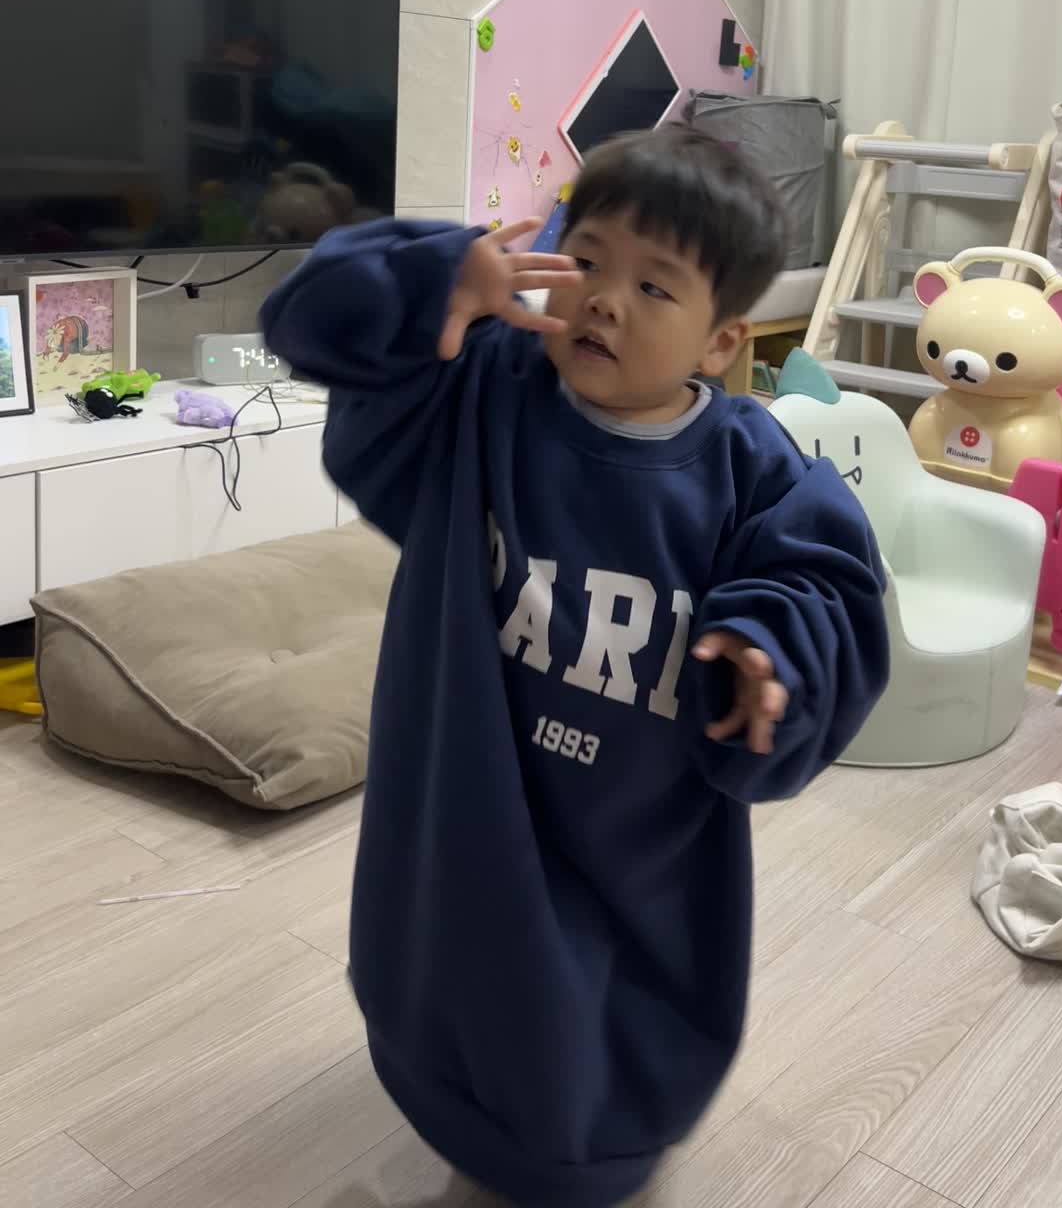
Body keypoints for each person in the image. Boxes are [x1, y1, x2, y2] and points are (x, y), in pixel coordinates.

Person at [261, 125, 890, 1208]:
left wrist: (769, 649)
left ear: (720, 341)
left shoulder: (751, 466)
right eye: (586, 258)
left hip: (642, 837)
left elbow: (827, 580)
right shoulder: (483, 389)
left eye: (654, 285)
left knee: (610, 1042)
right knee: (463, 1003)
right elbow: (313, 324)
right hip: (471, 805)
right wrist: (429, 275)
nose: (603, 300)